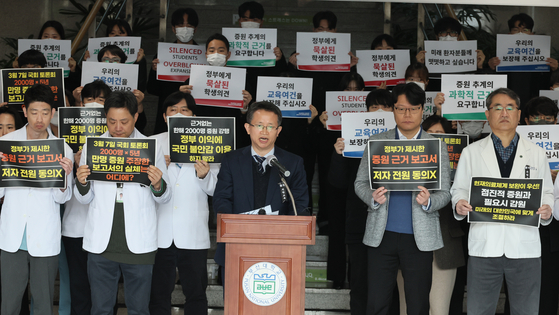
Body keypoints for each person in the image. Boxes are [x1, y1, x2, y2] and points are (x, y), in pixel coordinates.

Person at [451, 88, 554, 314]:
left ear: (519, 115)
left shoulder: (536, 153)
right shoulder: (471, 152)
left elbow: (547, 191)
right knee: (479, 309)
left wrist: (547, 209)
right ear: (487, 115)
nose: (504, 113)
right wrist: (459, 203)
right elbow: (458, 189)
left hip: (524, 247)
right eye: (497, 108)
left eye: (510, 108)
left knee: (526, 310)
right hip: (485, 246)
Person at [354, 83, 451, 315]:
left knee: (418, 305)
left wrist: (429, 201)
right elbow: (359, 183)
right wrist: (372, 198)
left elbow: (446, 192)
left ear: (422, 110)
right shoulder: (377, 142)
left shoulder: (436, 145)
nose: (407, 115)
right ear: (393, 111)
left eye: (413, 109)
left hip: (419, 238)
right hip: (381, 235)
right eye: (400, 109)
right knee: (376, 303)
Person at [74, 91, 171, 315]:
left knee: (138, 309)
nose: (117, 127)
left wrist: (158, 185)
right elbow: (84, 198)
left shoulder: (151, 147)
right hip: (101, 242)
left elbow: (165, 197)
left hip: (139, 243)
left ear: (136, 117)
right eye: (112, 121)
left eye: (124, 121)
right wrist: (81, 183)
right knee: (100, 309)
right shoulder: (93, 146)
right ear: (105, 118)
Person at [213, 101, 310, 282]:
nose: (264, 131)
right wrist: (234, 227)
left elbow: (299, 205)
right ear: (248, 128)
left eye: (270, 126)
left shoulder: (292, 163)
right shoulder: (231, 160)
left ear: (278, 131)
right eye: (259, 125)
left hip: (280, 250)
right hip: (236, 247)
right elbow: (221, 199)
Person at [0, 84, 74, 315]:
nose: (39, 119)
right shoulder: (7, 143)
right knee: (9, 303)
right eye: (34, 112)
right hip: (12, 235)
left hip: (45, 233)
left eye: (44, 112)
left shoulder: (63, 149)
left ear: (53, 112)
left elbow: (63, 199)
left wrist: (64, 179)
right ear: (24, 111)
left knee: (43, 302)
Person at [149, 91, 219, 315]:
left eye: (184, 110)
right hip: (160, 231)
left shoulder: (208, 143)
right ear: (164, 117)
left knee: (196, 292)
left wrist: (204, 175)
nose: (178, 114)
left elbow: (215, 189)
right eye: (173, 110)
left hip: (192, 231)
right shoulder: (152, 143)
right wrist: (159, 169)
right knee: (159, 292)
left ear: (194, 117)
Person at [329, 88, 395, 314]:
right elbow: (337, 183)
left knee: (390, 286)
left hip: (393, 224)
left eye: (386, 107)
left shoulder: (403, 141)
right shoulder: (352, 140)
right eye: (374, 107)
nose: (380, 112)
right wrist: (338, 155)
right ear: (366, 112)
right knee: (359, 282)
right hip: (360, 222)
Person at [395, 115, 464, 315]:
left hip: (445, 244)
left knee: (439, 309)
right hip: (409, 240)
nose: (434, 139)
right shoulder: (403, 160)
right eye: (430, 134)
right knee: (406, 308)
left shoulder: (460, 164)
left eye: (440, 135)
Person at [61, 80, 112, 315]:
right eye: (90, 99)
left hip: (106, 227)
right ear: (80, 104)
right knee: (79, 288)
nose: (95, 104)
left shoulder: (116, 140)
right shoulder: (64, 139)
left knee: (105, 291)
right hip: (75, 225)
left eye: (102, 100)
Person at [179, 33, 253, 148]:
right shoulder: (192, 82)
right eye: (212, 50)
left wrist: (244, 108)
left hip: (230, 139)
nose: (216, 54)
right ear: (206, 54)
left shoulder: (241, 82)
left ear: (228, 55)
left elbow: (247, 121)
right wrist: (181, 98)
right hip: (200, 138)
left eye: (221, 50)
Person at [522, 96, 559, 315]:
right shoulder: (513, 143)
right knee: (520, 289)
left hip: (552, 231)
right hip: (523, 224)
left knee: (548, 290)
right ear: (526, 120)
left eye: (548, 118)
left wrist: (553, 180)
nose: (543, 122)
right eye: (537, 118)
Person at [487, 13, 558, 120]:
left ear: (532, 34)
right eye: (516, 30)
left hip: (534, 110)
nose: (520, 34)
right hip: (507, 109)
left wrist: (555, 70)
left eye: (525, 30)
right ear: (509, 34)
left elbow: (549, 86)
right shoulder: (499, 58)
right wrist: (491, 68)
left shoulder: (543, 59)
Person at [148, 8, 201, 134]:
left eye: (189, 25)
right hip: (168, 117)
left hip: (195, 115)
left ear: (195, 29)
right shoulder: (162, 55)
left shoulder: (204, 57)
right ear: (173, 28)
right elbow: (152, 89)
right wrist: (154, 71)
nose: (185, 28)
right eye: (180, 25)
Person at [236, 1, 288, 93]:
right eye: (246, 19)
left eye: (255, 20)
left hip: (261, 95)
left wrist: (278, 60)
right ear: (240, 21)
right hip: (236, 93)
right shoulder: (228, 44)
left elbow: (281, 74)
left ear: (261, 22)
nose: (250, 23)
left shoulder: (271, 46)